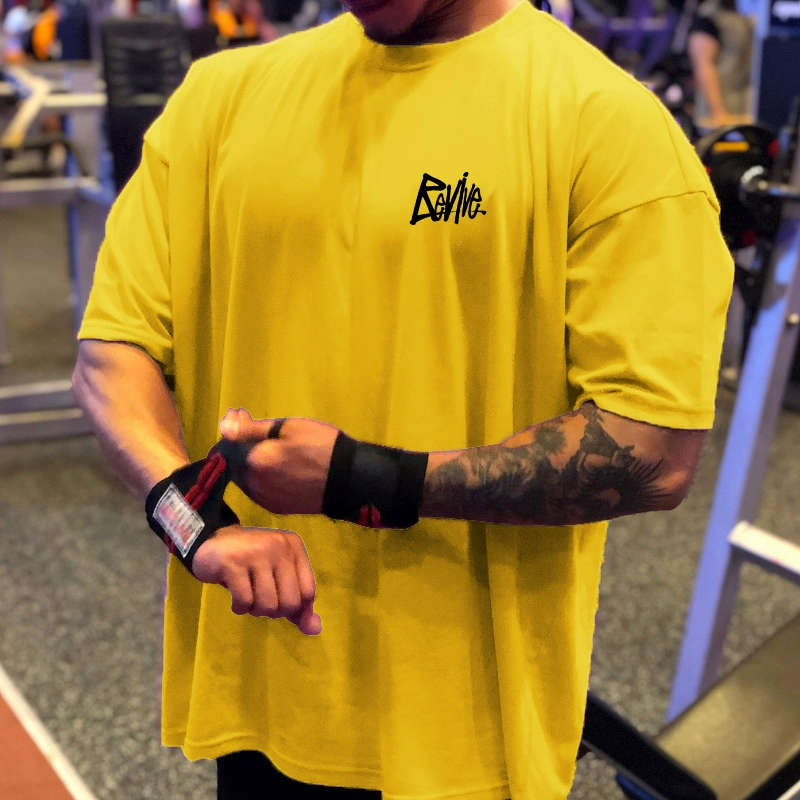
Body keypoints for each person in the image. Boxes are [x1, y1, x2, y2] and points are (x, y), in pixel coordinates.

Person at [71, 1, 734, 799]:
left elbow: (655, 453)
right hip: (265, 688)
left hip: (462, 733)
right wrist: (194, 522)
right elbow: (110, 358)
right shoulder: (219, 98)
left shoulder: (607, 124)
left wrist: (363, 479)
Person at [687, 0, 754, 131]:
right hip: (720, 110)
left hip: (748, 107)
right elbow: (704, 65)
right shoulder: (709, 14)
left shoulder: (752, 10)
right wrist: (718, 112)